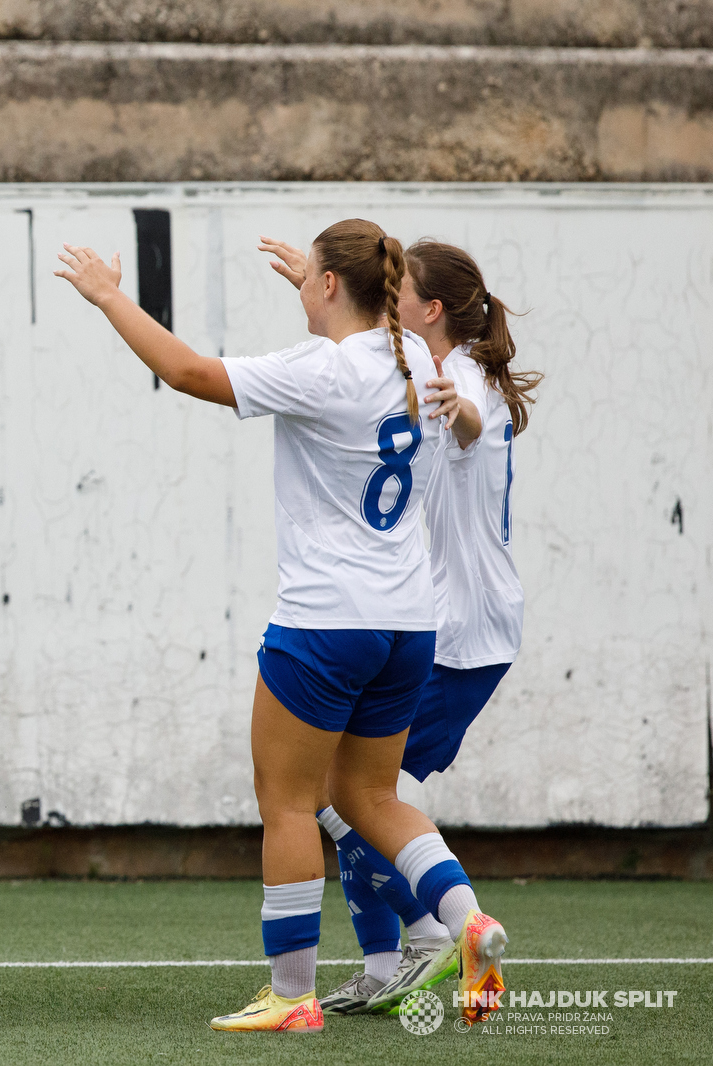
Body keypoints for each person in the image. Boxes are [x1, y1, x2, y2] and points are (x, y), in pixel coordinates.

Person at [56, 219, 507, 1031]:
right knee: (371, 796)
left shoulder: (325, 370)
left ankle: (293, 995)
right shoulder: (419, 368)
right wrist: (331, 285)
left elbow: (187, 371)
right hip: (408, 625)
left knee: (290, 807)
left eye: (312, 279)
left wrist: (107, 295)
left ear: (333, 286)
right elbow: (369, 331)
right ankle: (467, 920)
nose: (301, 286)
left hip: (325, 624)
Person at [279, 238, 538, 1015]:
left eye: (400, 293)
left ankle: (434, 935)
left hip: (456, 634)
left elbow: (463, 419)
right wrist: (320, 294)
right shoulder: (431, 366)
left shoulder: (456, 378)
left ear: (431, 312)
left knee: (350, 797)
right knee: (347, 795)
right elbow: (358, 366)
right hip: (452, 625)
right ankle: (406, 951)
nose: (386, 299)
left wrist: (456, 411)